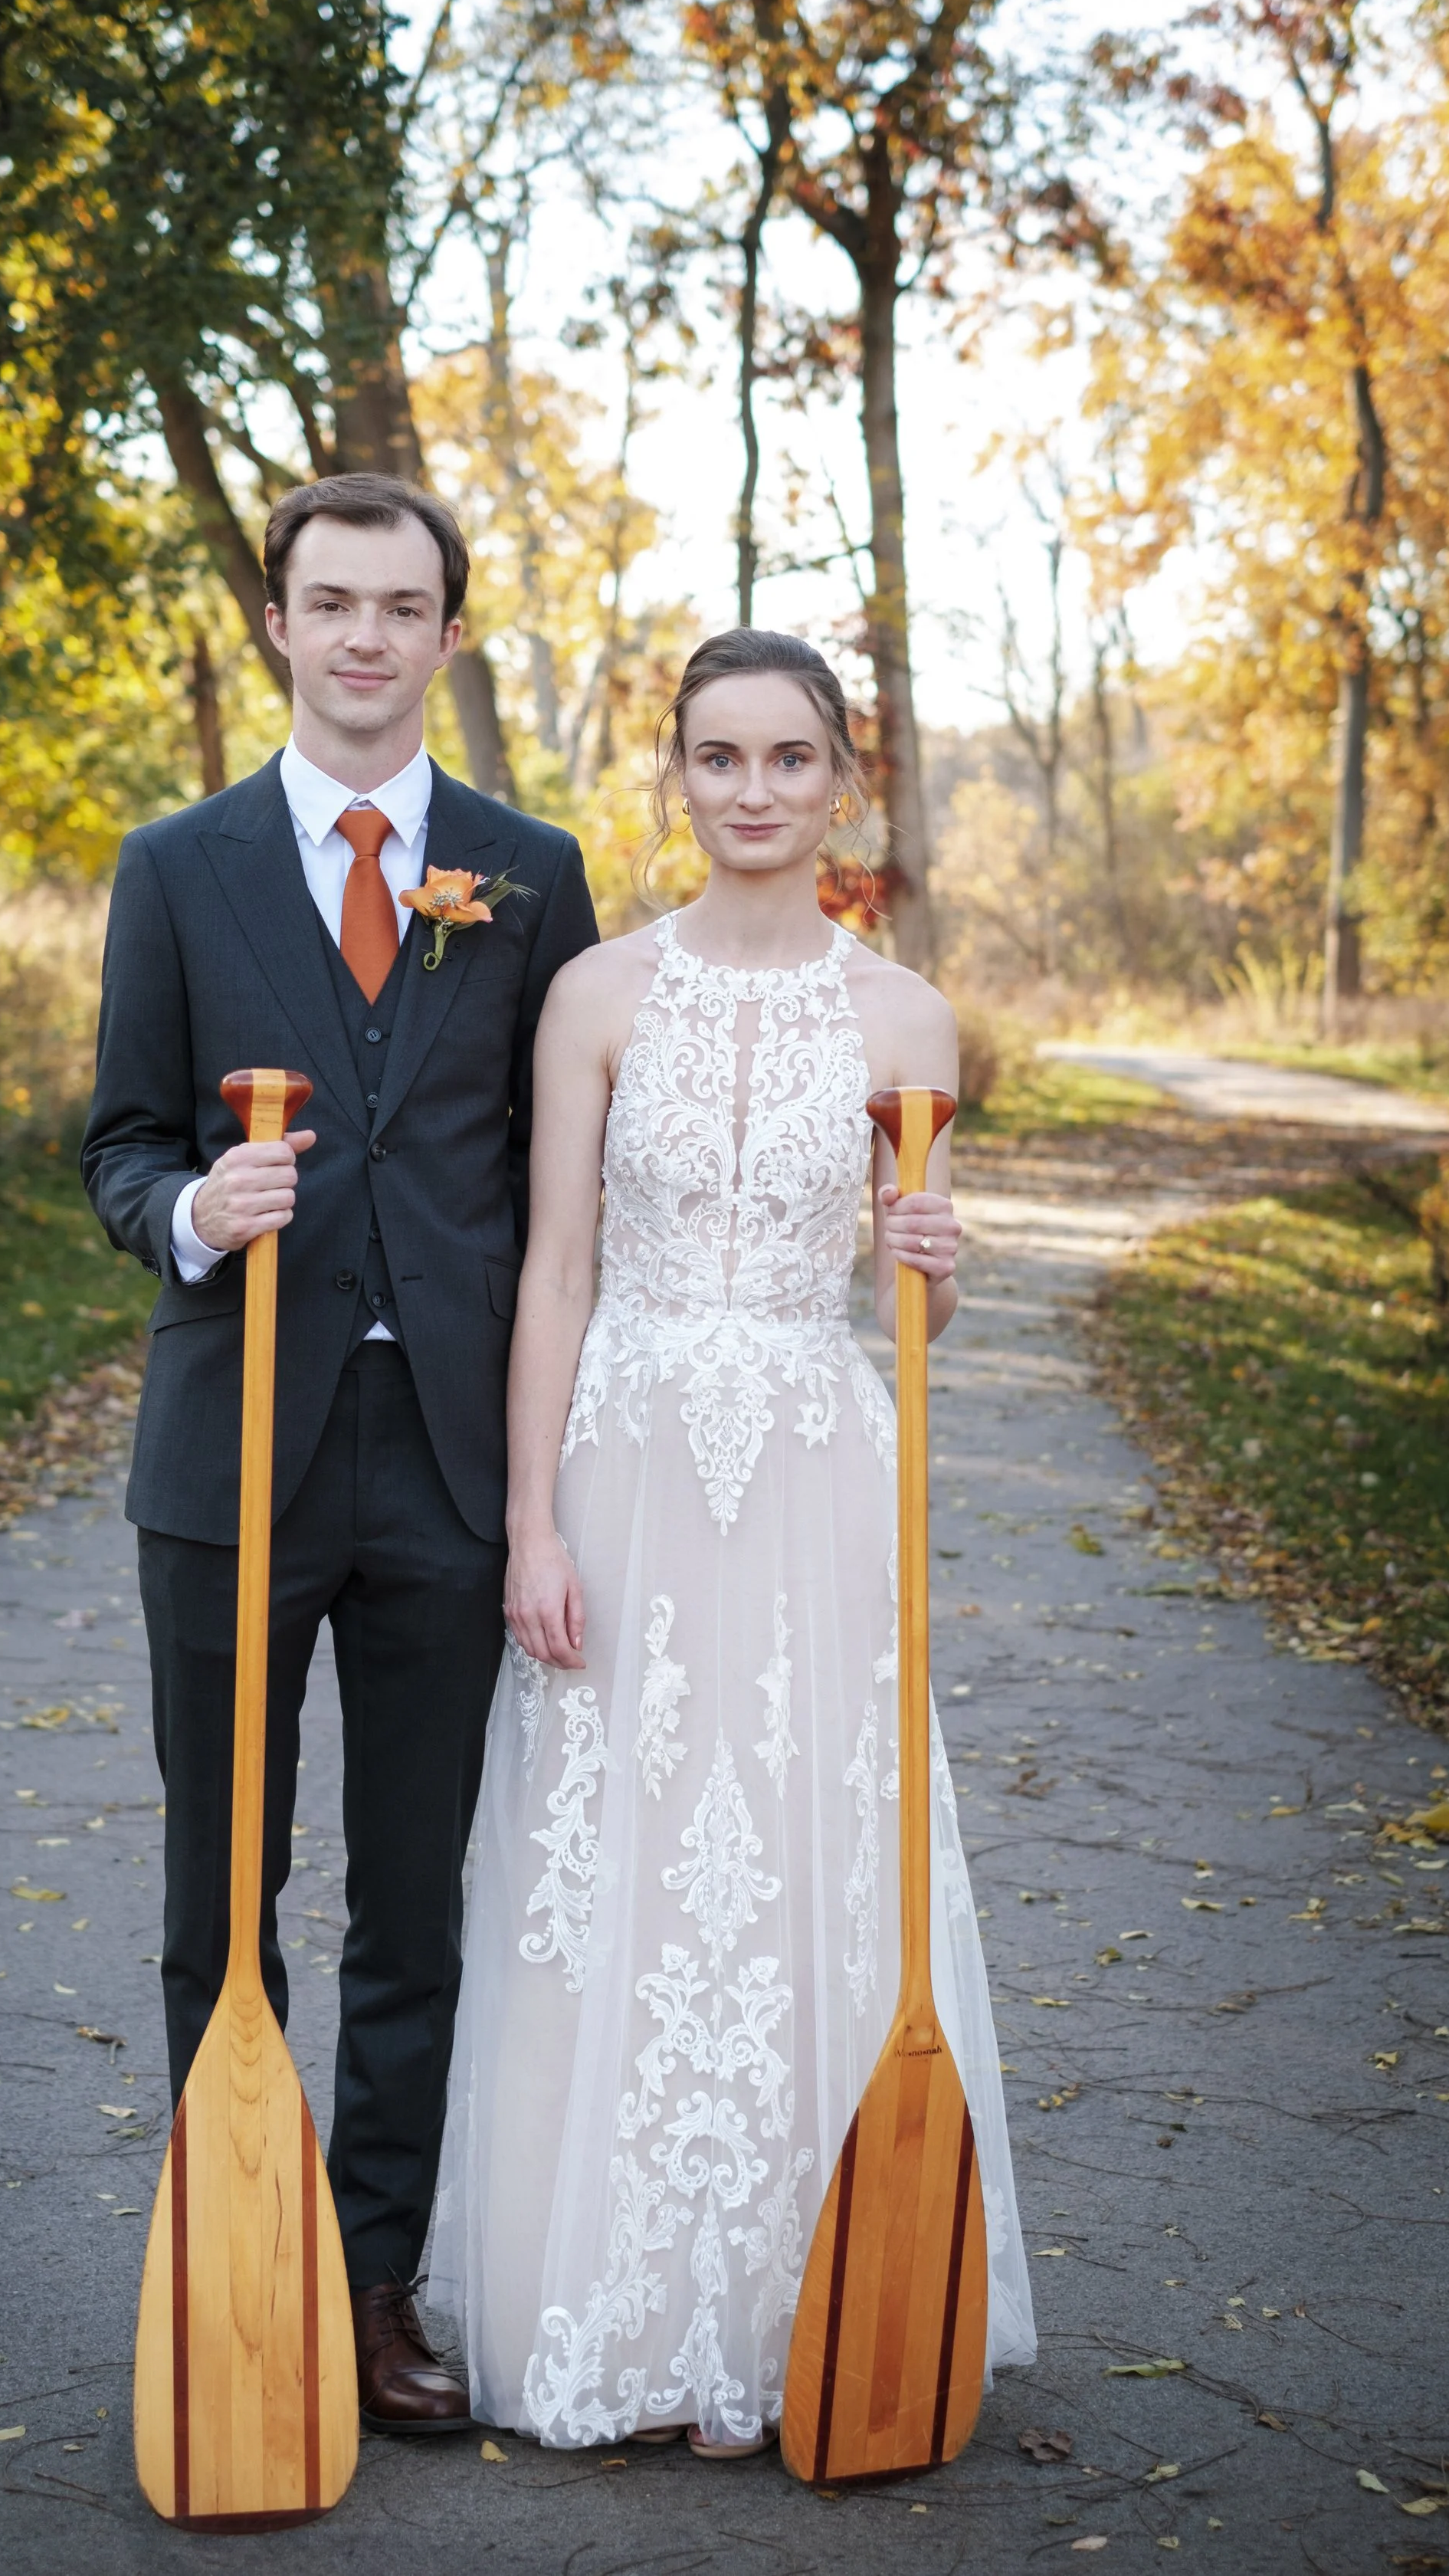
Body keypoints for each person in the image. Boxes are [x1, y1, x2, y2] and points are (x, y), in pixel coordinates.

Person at [425, 629, 1033, 2453]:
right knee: (606, 1866)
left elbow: (913, 1316)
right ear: (675, 778)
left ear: (840, 779)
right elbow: (550, 1270)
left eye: (787, 759)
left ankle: (788, 2313)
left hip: (809, 1464)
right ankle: (612, 2301)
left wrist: (935, 1268)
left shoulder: (904, 1018)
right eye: (717, 758)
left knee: (796, 1861)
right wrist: (530, 1520)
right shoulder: (596, 994)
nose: (751, 791)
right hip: (621, 1457)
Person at [80, 473, 598, 2433]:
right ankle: (237, 2262)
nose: (367, 638)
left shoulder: (525, 868)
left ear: (446, 639)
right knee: (220, 1890)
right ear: (277, 626)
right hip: (230, 1457)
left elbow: (584, 1175)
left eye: (404, 608)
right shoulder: (179, 864)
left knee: (412, 1898)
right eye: (332, 604)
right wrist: (195, 1212)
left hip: (454, 1466)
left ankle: (373, 2283)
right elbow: (119, 1140)